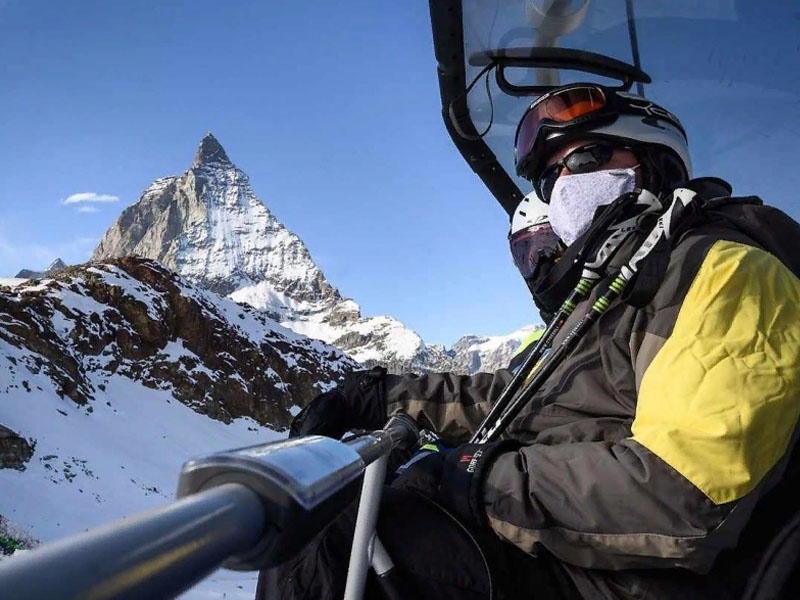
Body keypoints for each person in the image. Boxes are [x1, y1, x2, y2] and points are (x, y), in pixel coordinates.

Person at [257, 83, 800, 599]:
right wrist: (381, 396)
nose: (565, 186)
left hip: (635, 578)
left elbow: (686, 493)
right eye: (549, 179)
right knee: (335, 518)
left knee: (340, 545)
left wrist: (476, 478)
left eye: (585, 161)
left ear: (652, 163)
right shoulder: (610, 293)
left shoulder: (723, 272)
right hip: (573, 550)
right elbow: (515, 395)